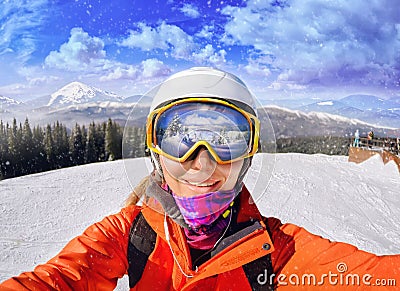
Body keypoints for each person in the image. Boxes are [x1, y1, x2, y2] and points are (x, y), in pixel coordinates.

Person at [1, 67, 399, 290]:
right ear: (156, 154)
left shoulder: (274, 250)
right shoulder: (129, 233)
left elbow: (366, 277)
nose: (201, 164)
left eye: (227, 140)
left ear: (247, 157)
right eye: (181, 140)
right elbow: (61, 279)